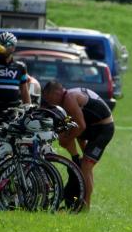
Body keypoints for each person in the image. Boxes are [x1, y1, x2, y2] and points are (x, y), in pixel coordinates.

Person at [42, 81, 114, 209]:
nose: (49, 102)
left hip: (103, 129)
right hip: (92, 127)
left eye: (48, 98)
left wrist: (67, 139)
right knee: (67, 133)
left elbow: (81, 126)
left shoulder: (69, 98)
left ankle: (85, 205)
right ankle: (76, 160)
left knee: (86, 166)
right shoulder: (66, 99)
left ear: (56, 93)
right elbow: (77, 127)